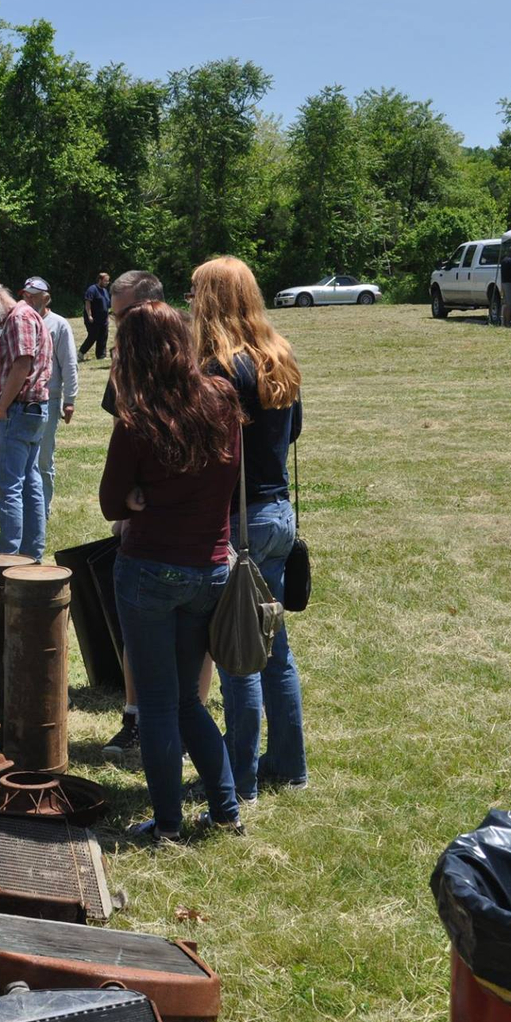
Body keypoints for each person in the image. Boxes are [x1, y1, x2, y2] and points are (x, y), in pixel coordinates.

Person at [98, 300, 246, 840]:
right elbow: (226, 483)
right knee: (188, 700)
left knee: (158, 706)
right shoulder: (223, 400)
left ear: (134, 356)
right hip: (210, 569)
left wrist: (142, 499)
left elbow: (113, 502)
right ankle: (227, 812)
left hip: (150, 571)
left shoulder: (137, 420)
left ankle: (166, 824)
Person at [190, 256, 307, 801]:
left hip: (239, 522)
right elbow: (294, 432)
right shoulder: (278, 355)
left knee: (239, 655)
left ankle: (240, 780)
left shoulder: (218, 367)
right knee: (274, 650)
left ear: (209, 299)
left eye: (195, 294)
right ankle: (289, 763)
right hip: (279, 514)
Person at [97, 269, 167, 763]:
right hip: (141, 514)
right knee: (137, 633)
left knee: (180, 640)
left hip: (177, 522)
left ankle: (174, 724)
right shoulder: (127, 361)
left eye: (122, 315)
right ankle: (135, 719)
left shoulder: (179, 359)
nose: (115, 325)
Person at [0, 281, 52, 560]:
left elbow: (23, 363)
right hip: (31, 410)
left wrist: (3, 407)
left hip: (17, 410)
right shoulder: (28, 315)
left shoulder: (18, 317)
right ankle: (31, 557)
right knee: (30, 484)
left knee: (8, 487)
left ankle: (8, 557)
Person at [21, 277, 78, 514]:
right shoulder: (22, 321)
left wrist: (70, 400)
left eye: (34, 295)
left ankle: (42, 509)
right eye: (26, 294)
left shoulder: (58, 324)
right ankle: (23, 507)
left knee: (43, 458)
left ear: (47, 297)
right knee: (22, 459)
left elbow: (69, 362)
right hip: (23, 399)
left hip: (49, 398)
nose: (29, 298)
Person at [80, 271, 112, 359]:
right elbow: (88, 302)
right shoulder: (92, 289)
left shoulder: (105, 291)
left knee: (103, 336)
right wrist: (89, 315)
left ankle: (101, 355)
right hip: (94, 319)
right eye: (105, 281)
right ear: (100, 280)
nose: (107, 283)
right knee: (93, 336)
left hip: (103, 319)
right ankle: (81, 353)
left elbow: (107, 304)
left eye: (108, 281)